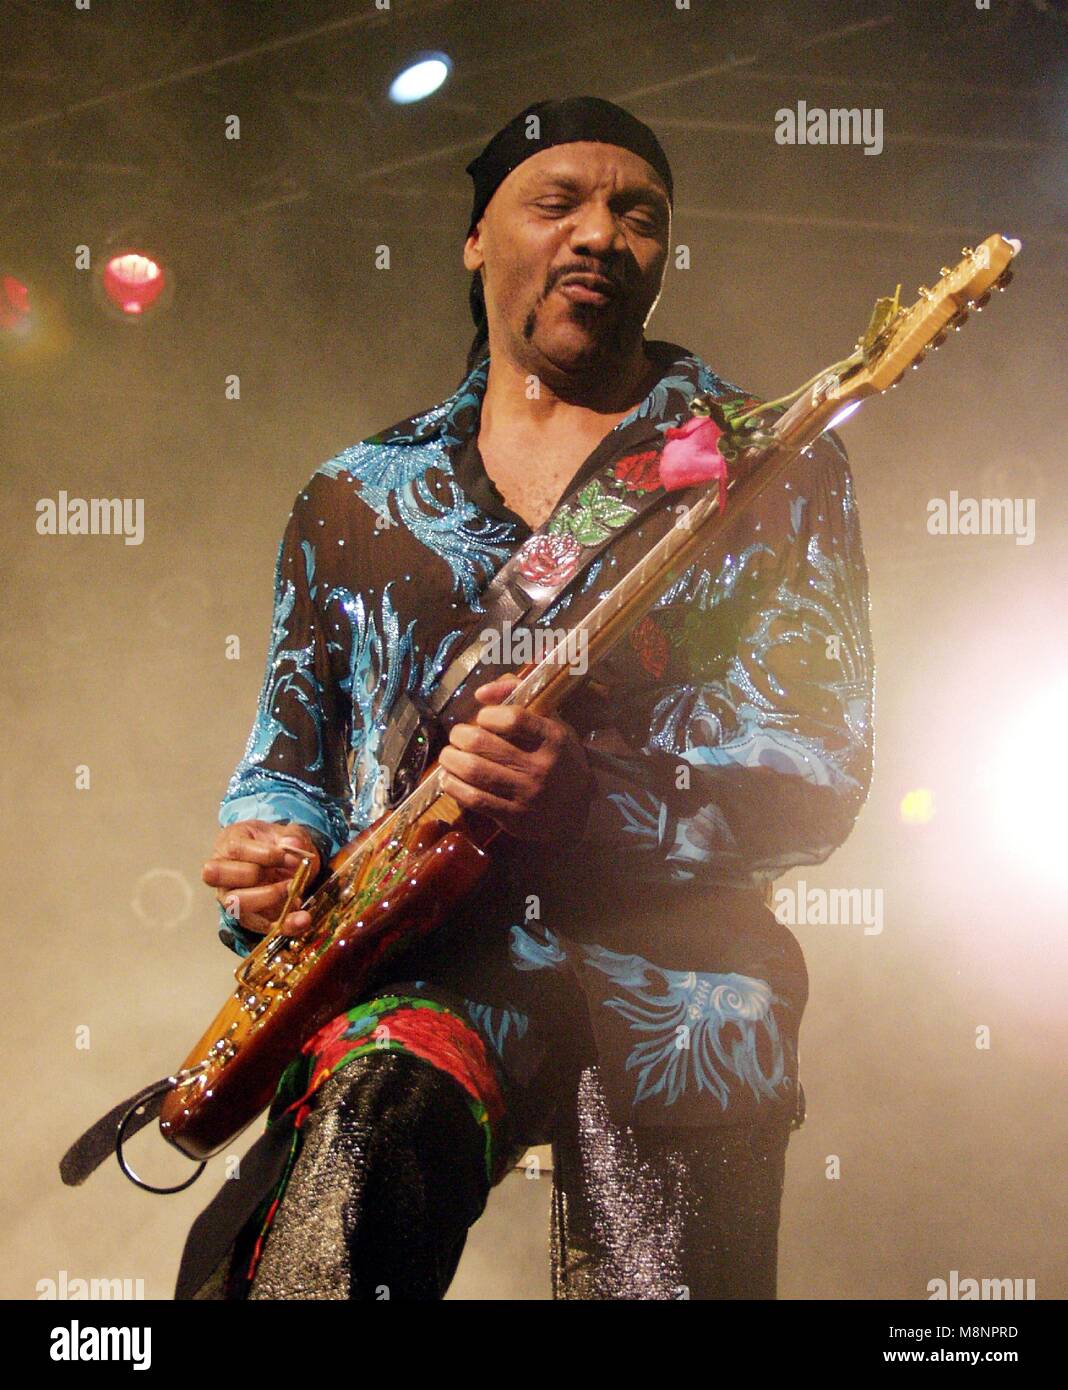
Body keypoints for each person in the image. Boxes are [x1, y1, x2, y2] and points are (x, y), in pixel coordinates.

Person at [175, 96, 874, 1301]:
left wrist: (588, 802)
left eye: (637, 213)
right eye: (558, 202)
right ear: (475, 239)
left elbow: (817, 771)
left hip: (680, 984)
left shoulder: (768, 459)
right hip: (420, 963)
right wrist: (275, 854)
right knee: (331, 1229)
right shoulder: (356, 497)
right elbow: (289, 756)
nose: (601, 233)